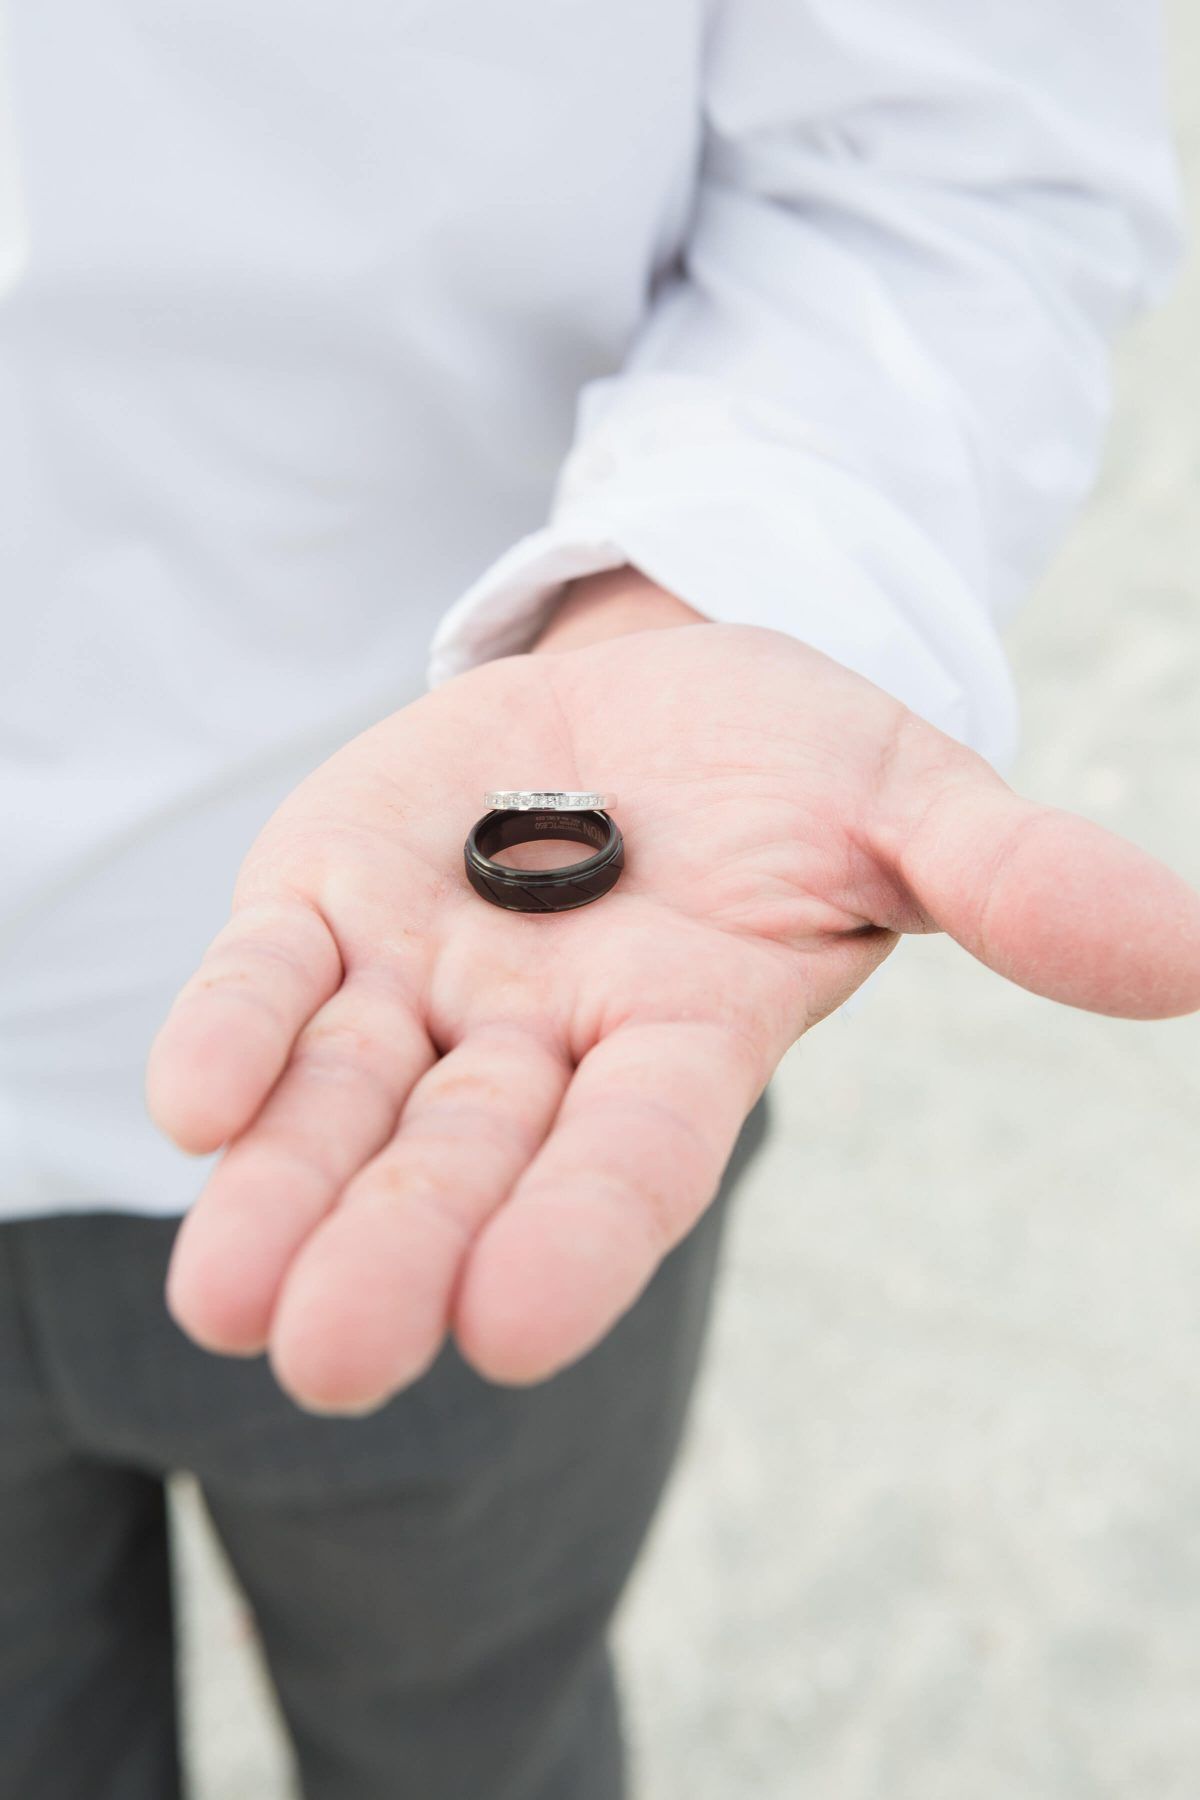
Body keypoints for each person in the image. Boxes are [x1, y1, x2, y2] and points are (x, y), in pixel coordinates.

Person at [2, 4, 1197, 1796]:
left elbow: (956, 143)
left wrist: (712, 586)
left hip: (483, 1059)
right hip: (386, 1011)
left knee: (471, 1731)